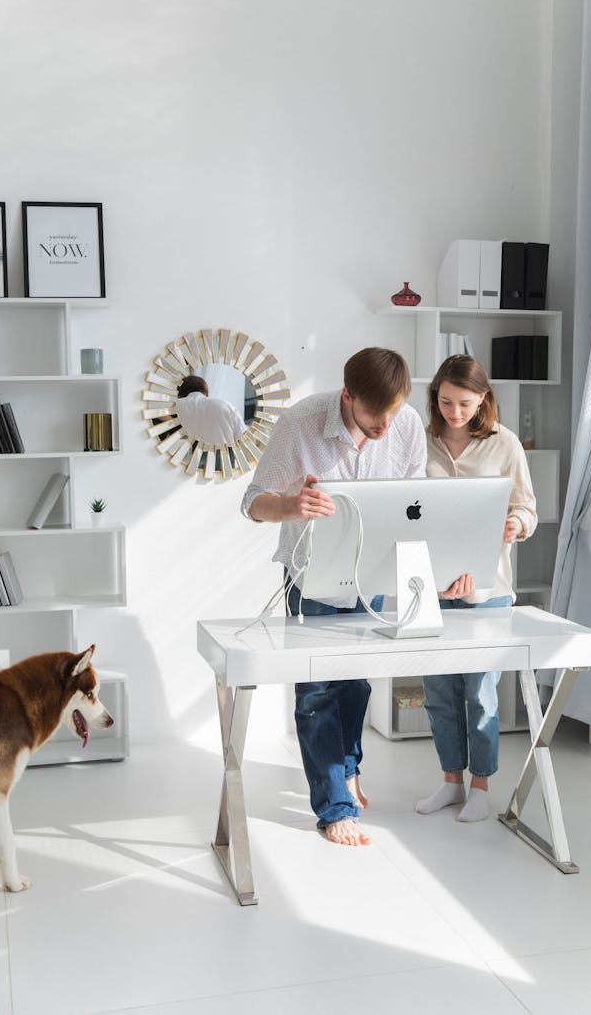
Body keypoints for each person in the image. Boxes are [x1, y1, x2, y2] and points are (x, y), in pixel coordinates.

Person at [242, 347, 468, 848]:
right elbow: (251, 503)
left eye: (393, 415)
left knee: (355, 686)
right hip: (312, 577)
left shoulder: (404, 423)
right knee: (319, 693)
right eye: (374, 417)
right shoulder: (300, 423)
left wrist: (434, 576)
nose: (386, 428)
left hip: (373, 576)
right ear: (347, 397)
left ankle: (346, 771)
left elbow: (415, 509)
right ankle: (334, 808)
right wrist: (290, 503)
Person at [416, 354, 537, 823]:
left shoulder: (505, 444)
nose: (454, 412)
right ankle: (451, 783)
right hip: (431, 590)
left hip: (489, 591)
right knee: (439, 693)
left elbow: (527, 507)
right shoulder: (421, 443)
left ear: (483, 398)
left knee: (480, 694)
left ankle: (482, 785)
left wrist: (514, 524)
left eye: (465, 403)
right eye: (445, 401)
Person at [175, 374, 246, 446]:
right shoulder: (225, 405)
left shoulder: (175, 407)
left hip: (190, 454)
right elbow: (242, 437)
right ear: (207, 393)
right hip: (223, 453)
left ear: (179, 395)